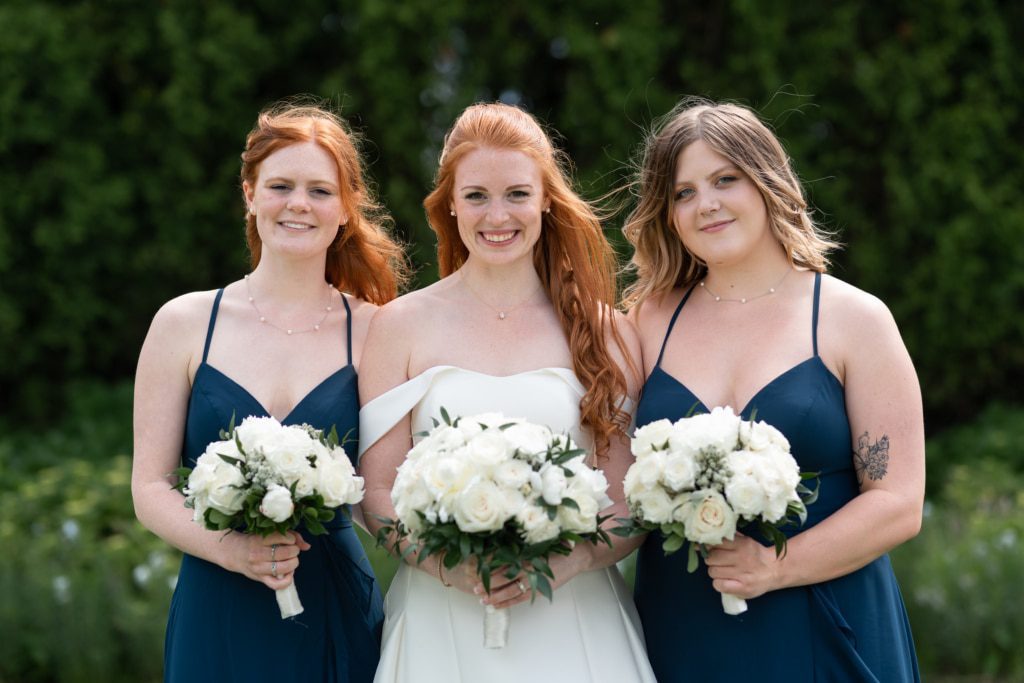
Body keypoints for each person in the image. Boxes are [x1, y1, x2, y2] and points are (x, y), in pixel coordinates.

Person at [623, 98, 924, 681]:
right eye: (682, 192)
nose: (705, 203)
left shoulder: (853, 319)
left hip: (823, 618)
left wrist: (776, 566)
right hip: (683, 624)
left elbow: (898, 502)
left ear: (766, 182)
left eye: (724, 180)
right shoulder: (643, 324)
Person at [358, 103, 656, 683]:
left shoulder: (606, 332)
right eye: (476, 196)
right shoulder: (397, 327)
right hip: (440, 621)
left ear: (547, 198)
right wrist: (450, 566)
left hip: (575, 618)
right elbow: (375, 492)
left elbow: (627, 502)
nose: (498, 215)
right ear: (449, 203)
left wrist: (572, 561)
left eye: (517, 194)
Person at [131, 101, 407, 682]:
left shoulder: (378, 331)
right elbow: (149, 486)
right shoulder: (184, 323)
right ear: (250, 194)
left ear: (345, 210)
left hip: (334, 602)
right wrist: (232, 549)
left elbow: (383, 489)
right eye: (280, 185)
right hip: (217, 603)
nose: (298, 204)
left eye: (320, 190)